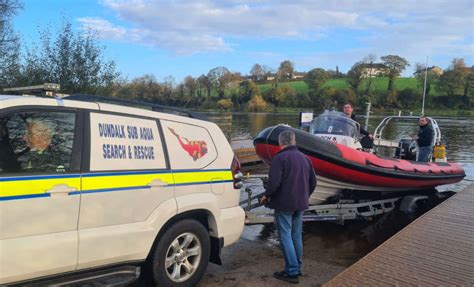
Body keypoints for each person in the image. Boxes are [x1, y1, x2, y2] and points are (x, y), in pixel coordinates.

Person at [260, 130, 317, 284]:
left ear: (281, 143)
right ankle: (298, 267)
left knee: (285, 235)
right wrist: (305, 196)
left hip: (285, 204)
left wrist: (266, 196)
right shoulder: (306, 159)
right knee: (296, 235)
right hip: (301, 203)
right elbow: (313, 182)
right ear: (294, 141)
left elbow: (273, 183)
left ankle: (291, 272)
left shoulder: (279, 158)